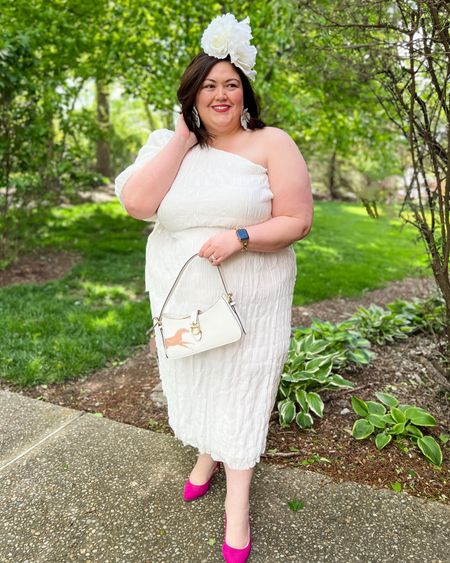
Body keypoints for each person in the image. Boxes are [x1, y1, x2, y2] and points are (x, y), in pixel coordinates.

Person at [114, 13, 313, 563]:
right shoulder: (168, 144)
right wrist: (182, 135)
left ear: (245, 93)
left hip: (251, 295)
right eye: (208, 85)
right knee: (199, 380)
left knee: (242, 391)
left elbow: (297, 220)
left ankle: (238, 508)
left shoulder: (271, 142)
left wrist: (242, 237)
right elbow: (137, 205)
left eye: (230, 84)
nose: (220, 94)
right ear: (191, 95)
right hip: (182, 297)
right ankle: (206, 455)